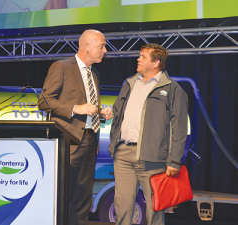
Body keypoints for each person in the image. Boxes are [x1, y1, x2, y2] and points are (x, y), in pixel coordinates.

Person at [38, 29, 113, 225]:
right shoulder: (61, 67)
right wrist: (75, 108)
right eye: (101, 46)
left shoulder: (94, 73)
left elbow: (88, 106)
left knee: (83, 196)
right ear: (86, 46)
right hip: (68, 141)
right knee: (62, 193)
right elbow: (44, 102)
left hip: (90, 139)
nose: (105, 50)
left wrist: (99, 111)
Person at [109, 43, 188, 225]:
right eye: (139, 56)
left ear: (156, 62)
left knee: (155, 208)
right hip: (123, 155)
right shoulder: (129, 83)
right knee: (122, 206)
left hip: (152, 158)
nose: (138, 59)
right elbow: (117, 112)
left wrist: (174, 160)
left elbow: (180, 127)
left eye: (143, 56)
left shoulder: (172, 89)